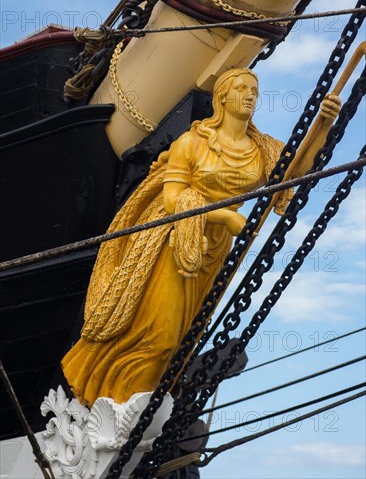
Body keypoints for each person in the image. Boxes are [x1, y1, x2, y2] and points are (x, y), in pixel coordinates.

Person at [61, 68, 338, 407]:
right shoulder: (191, 143)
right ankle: (115, 401)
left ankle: (140, 407)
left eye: (254, 89)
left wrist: (323, 125)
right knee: (157, 334)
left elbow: (298, 170)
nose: (249, 94)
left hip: (215, 250)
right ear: (221, 97)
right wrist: (223, 215)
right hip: (174, 241)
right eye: (240, 88)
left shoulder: (261, 149)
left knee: (179, 340)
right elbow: (174, 197)